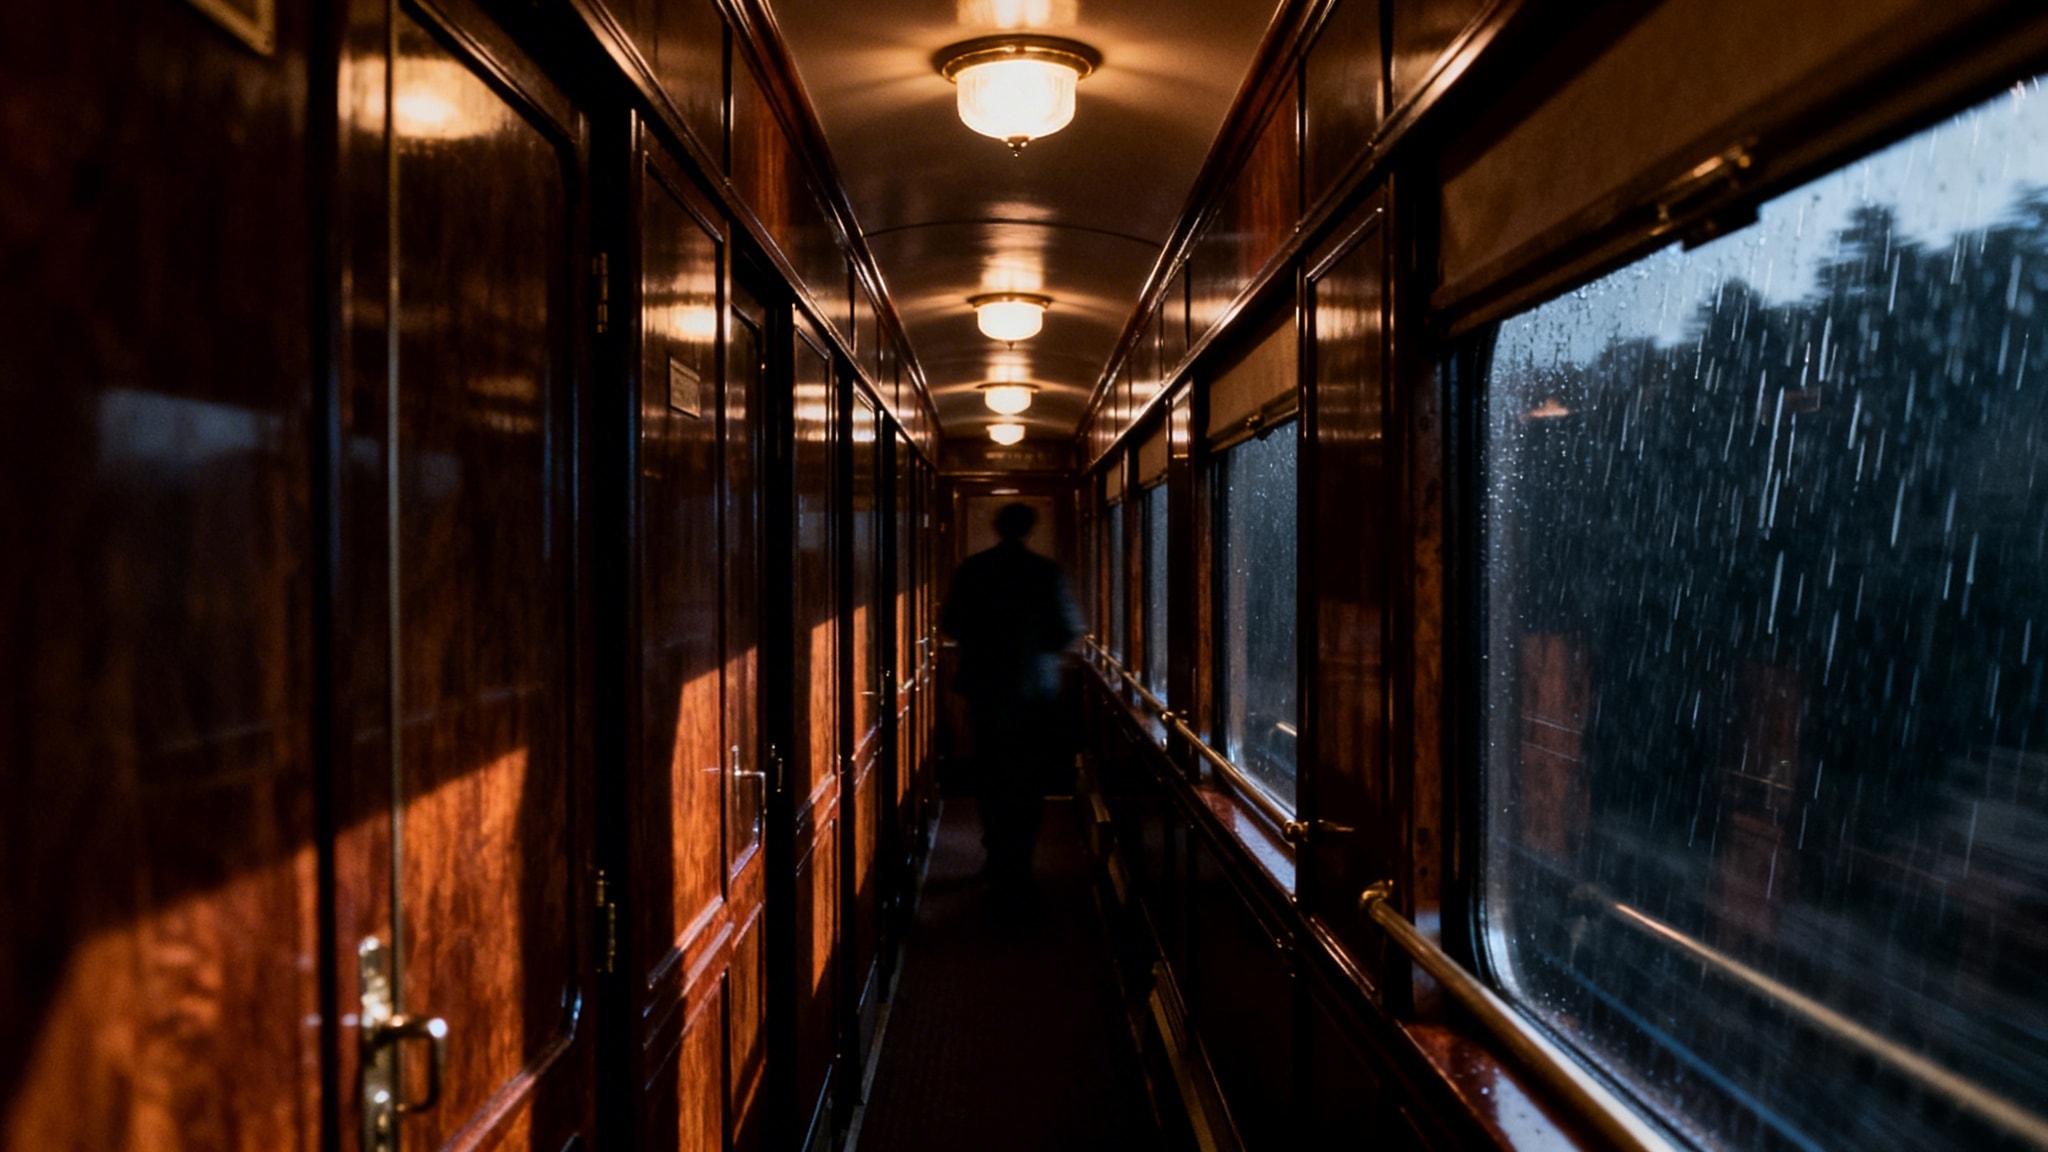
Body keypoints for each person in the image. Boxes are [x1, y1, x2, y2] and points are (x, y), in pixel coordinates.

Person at [940, 502, 1083, 886]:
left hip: (986, 688)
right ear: (1030, 528)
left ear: (997, 526)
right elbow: (1066, 631)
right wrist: (1033, 648)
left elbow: (950, 623)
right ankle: (1021, 854)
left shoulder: (974, 569)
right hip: (1034, 691)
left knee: (989, 770)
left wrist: (984, 640)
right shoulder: (1045, 572)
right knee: (1029, 775)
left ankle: (996, 846)